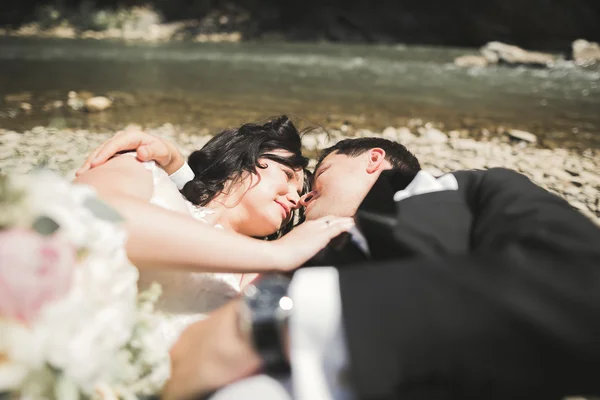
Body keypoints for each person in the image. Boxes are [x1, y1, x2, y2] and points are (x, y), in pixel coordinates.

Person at [101, 134, 600, 400]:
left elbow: (583, 289)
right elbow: (209, 233)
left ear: (373, 160)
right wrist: (181, 170)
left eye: (316, 174)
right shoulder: (299, 243)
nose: (302, 194)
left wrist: (275, 324)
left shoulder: (480, 191)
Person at [73, 116, 354, 347]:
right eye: (288, 176)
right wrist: (277, 252)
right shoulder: (147, 170)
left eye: (300, 193)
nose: (294, 199)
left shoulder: (258, 277)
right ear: (242, 158)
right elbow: (92, 217)